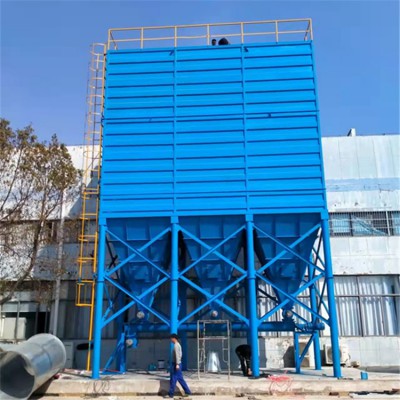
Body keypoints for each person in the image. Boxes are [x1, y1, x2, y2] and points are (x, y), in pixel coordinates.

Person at [165, 334, 191, 398]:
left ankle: (171, 394)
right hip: (177, 364)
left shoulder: (176, 346)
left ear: (174, 338)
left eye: (171, 338)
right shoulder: (178, 345)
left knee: (173, 379)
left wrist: (177, 364)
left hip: (176, 364)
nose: (171, 340)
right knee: (180, 379)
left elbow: (177, 356)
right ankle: (187, 391)